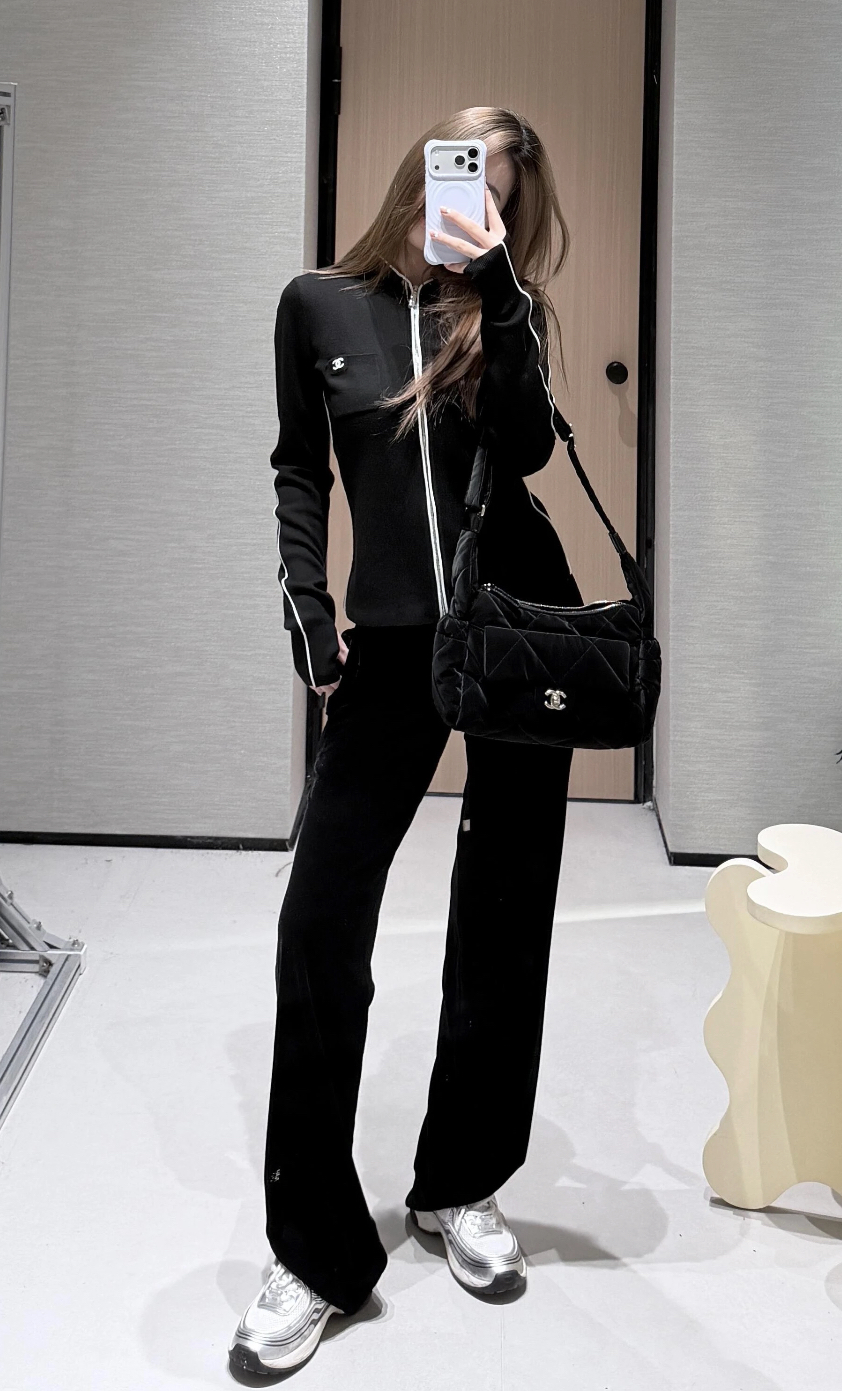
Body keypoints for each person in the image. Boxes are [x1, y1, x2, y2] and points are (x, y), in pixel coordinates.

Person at [231, 106, 579, 1376]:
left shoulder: (504, 313)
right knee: (320, 924)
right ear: (422, 171)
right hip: (387, 648)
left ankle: (460, 1180)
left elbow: (528, 447)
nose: (477, 201)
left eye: (502, 191)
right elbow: (299, 468)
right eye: (464, 173)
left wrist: (499, 290)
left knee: (504, 910)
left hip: (512, 631)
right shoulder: (319, 306)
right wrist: (303, 597)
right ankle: (315, 1250)